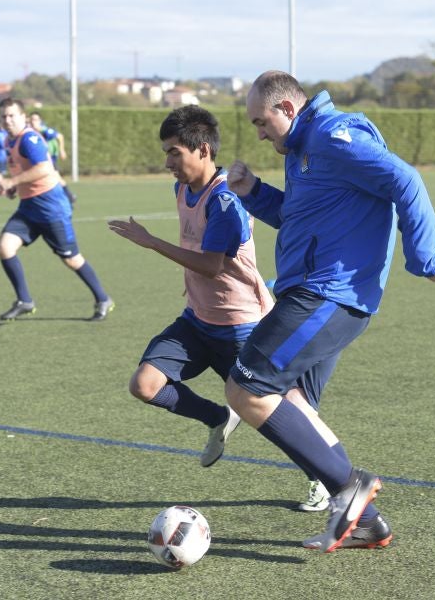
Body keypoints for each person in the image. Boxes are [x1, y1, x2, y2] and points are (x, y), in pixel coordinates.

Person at [223, 71, 435, 553]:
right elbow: (302, 216)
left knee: (246, 387)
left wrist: (425, 260)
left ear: (287, 109)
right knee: (294, 404)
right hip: (315, 294)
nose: (259, 134)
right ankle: (364, 520)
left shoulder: (330, 137)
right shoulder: (307, 148)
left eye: (261, 122)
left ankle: (350, 487)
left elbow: (405, 180)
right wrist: (253, 191)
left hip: (327, 295)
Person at [106, 107, 332, 511]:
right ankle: (216, 417)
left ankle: (324, 476)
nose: (168, 162)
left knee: (282, 412)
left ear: (203, 150)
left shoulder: (225, 200)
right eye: (166, 152)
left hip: (243, 326)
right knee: (145, 384)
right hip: (198, 319)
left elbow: (211, 266)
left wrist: (151, 241)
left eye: (174, 152)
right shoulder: (183, 188)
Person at [0, 97, 114, 321]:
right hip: (28, 207)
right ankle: (25, 301)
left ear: (23, 117)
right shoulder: (9, 141)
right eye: (3, 116)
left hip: (51, 208)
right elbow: (23, 172)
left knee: (72, 259)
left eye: (12, 115)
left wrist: (12, 182)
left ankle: (102, 298)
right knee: (4, 247)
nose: (7, 120)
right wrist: (13, 188)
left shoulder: (29, 138)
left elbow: (45, 168)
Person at [28, 112, 76, 203]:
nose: (33, 122)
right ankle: (66, 197)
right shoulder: (30, 132)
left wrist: (62, 150)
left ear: (40, 121)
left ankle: (69, 196)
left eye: (35, 120)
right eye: (31, 120)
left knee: (56, 178)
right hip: (41, 160)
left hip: (49, 160)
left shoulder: (45, 131)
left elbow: (60, 136)